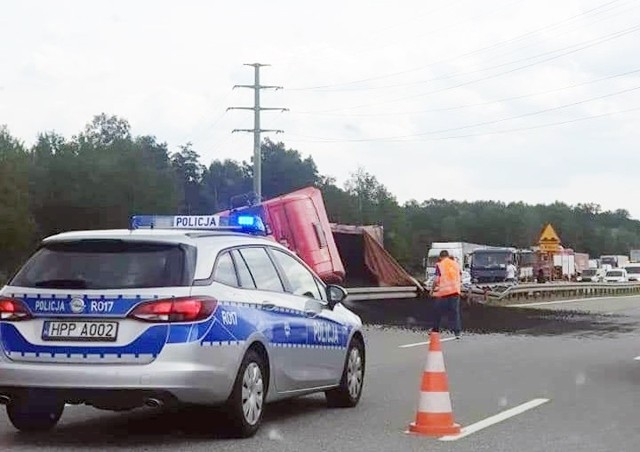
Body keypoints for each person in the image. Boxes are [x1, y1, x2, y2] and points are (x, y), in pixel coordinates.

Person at [431, 250, 462, 339]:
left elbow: (436, 280)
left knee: (438, 311)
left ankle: (435, 330)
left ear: (440, 257)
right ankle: (457, 332)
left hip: (444, 292)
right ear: (448, 256)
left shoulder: (440, 265)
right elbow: (459, 276)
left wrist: (432, 291)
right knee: (455, 312)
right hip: (455, 291)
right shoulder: (456, 264)